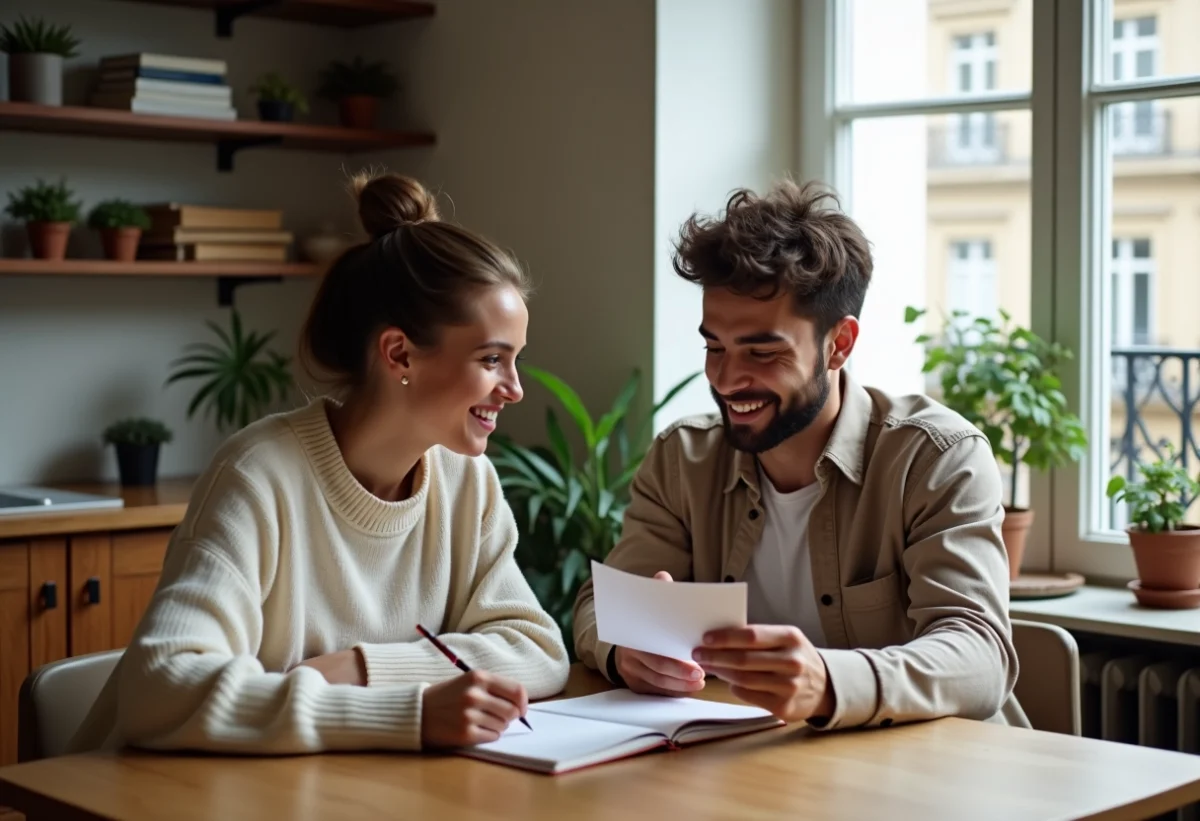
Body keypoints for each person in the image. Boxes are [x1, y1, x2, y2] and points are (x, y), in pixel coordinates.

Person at [69, 172, 570, 755]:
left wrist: (359, 669)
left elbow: (538, 651)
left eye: (515, 361)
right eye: (491, 360)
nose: (514, 389)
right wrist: (405, 713)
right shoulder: (259, 475)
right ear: (399, 354)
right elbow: (161, 688)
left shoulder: (466, 483)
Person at [573, 179, 1029, 731]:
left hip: (936, 767)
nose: (726, 378)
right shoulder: (683, 459)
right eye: (714, 346)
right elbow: (603, 603)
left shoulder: (935, 459)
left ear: (839, 344)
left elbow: (980, 654)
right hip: (755, 761)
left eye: (762, 352)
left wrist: (830, 682)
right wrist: (625, 651)